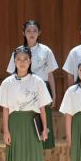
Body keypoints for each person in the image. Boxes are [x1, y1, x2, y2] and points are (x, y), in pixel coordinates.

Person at [0, 46, 51, 161]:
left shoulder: (38, 81)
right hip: (15, 123)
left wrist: (44, 128)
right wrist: (6, 130)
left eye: (25, 59)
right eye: (19, 59)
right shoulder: (7, 83)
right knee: (16, 158)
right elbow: (5, 109)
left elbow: (42, 107)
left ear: (30, 61)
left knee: (33, 159)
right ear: (14, 61)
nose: (22, 62)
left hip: (32, 123)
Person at [21, 20, 60, 149]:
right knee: (27, 118)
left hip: (43, 88)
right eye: (28, 31)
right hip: (24, 88)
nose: (31, 33)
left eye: (34, 31)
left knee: (43, 119)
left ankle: (42, 150)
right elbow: (13, 75)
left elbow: (50, 74)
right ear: (23, 33)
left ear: (39, 33)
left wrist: (53, 95)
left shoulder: (46, 50)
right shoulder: (19, 51)